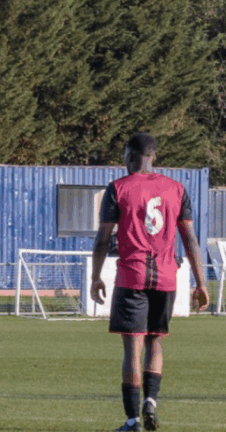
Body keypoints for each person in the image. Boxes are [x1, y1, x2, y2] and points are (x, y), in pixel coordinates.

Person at [90, 133, 209, 432]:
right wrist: (201, 283)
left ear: (129, 156)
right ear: (154, 156)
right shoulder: (177, 189)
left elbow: (104, 237)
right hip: (167, 278)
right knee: (156, 340)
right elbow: (191, 239)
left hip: (132, 276)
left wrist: (95, 276)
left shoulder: (118, 188)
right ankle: (151, 402)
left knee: (133, 348)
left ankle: (132, 421)